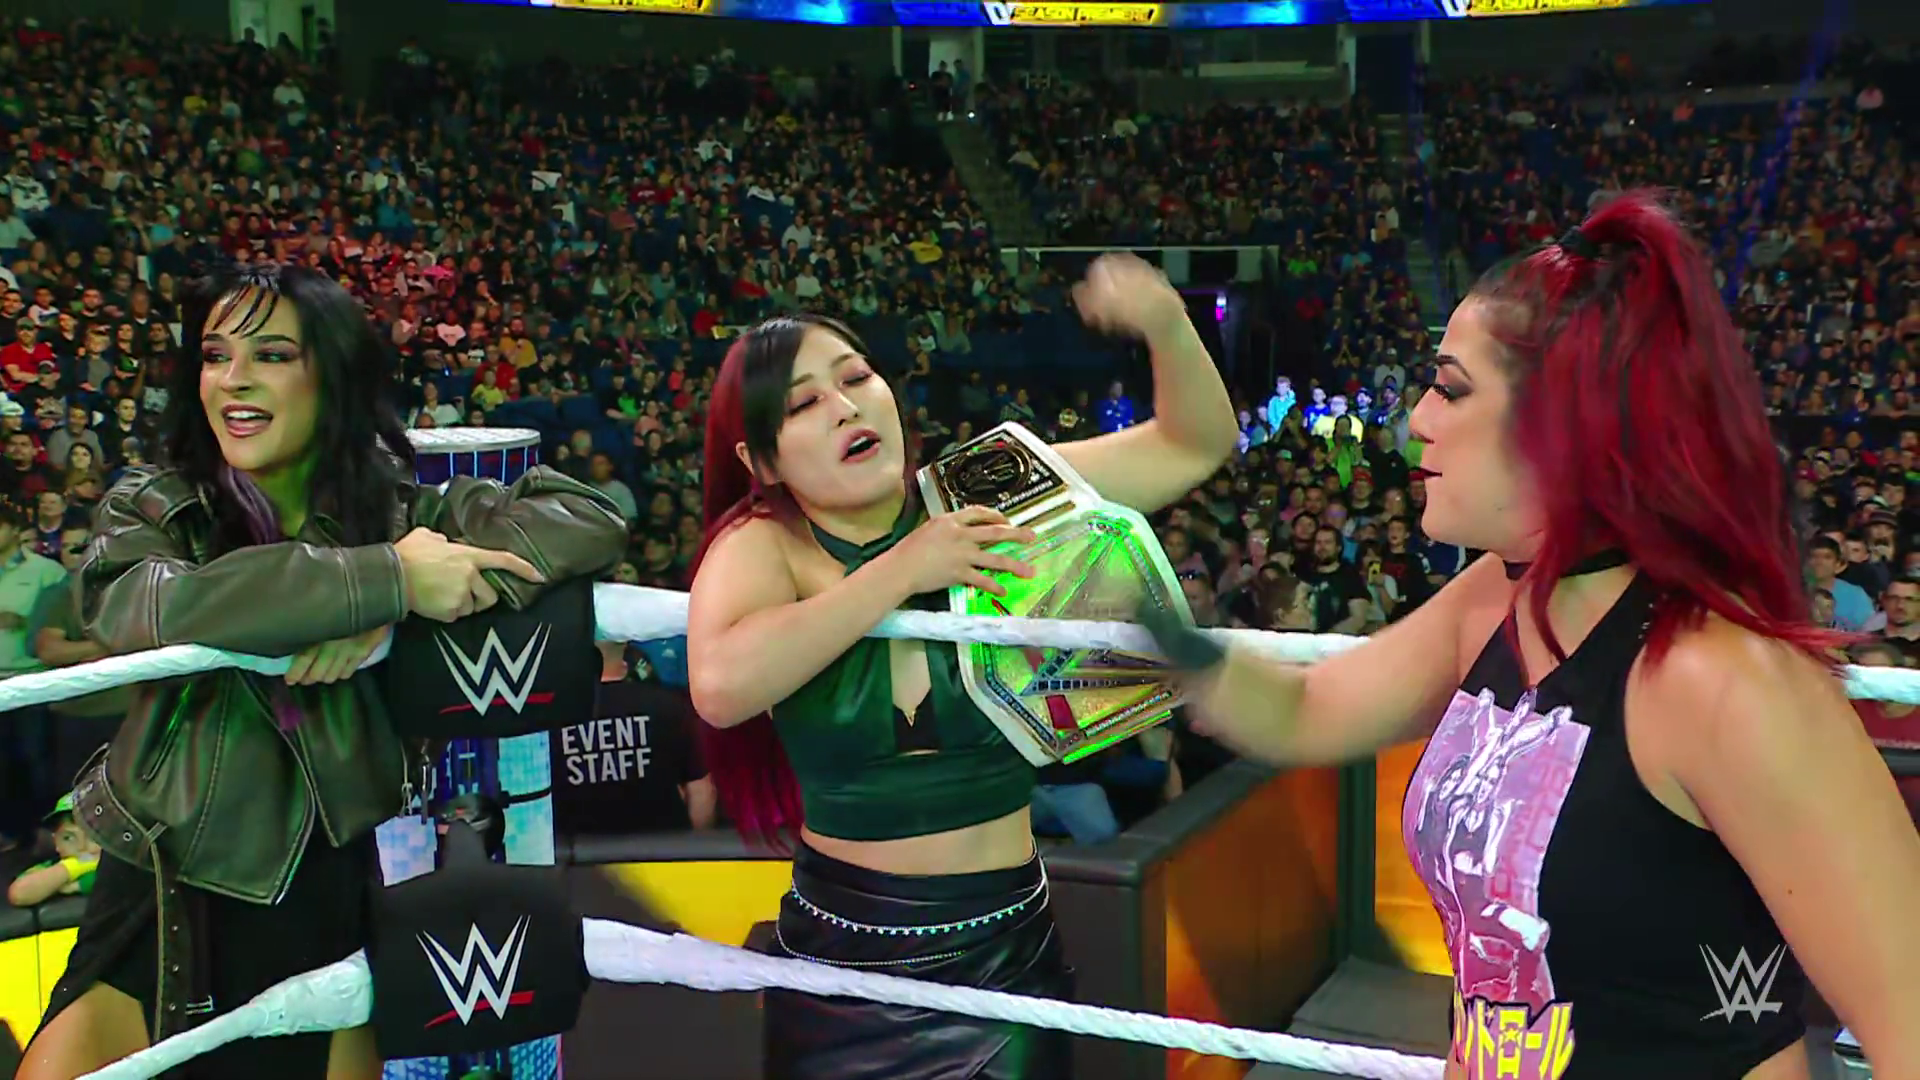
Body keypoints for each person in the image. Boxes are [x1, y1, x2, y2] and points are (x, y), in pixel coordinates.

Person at [1133, 193, 1920, 1079]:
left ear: (1563, 425)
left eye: (1451, 387)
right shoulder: (1494, 599)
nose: (1418, 418)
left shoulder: (1722, 678)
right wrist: (1143, 623)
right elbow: (1306, 710)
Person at [18, 264, 627, 1080]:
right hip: (164, 893)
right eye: (215, 355)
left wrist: (388, 614)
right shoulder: (158, 503)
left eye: (271, 354)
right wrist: (382, 583)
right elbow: (143, 608)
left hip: (325, 894)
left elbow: (587, 517)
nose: (234, 379)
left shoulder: (397, 508)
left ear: (331, 375)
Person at [687, 253, 1235, 1080]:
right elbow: (722, 686)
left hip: (1008, 948)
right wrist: (903, 568)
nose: (845, 407)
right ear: (761, 460)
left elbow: (1195, 445)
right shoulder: (765, 542)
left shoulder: (987, 491)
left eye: (855, 377)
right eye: (803, 403)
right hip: (848, 963)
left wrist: (1166, 323)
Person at [7, 794, 100, 908]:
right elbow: (19, 894)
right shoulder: (52, 866)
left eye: (93, 836)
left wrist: (76, 886)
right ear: (57, 843)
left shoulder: (117, 864)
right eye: (68, 838)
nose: (82, 847)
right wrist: (76, 866)